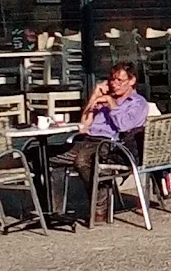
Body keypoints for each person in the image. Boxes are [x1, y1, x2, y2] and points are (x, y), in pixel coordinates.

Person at [48, 61, 149, 225]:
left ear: (131, 81)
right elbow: (84, 126)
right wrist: (94, 96)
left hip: (112, 145)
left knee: (82, 160)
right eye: (112, 80)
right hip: (88, 140)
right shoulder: (104, 99)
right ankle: (54, 210)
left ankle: (100, 206)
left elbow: (124, 126)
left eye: (119, 81)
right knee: (48, 157)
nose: (114, 84)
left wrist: (110, 104)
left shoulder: (137, 103)